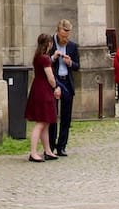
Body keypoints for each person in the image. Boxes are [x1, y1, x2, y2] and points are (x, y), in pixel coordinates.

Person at [25, 34, 61, 162]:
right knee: (41, 123)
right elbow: (50, 77)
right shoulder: (45, 58)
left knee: (45, 123)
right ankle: (33, 152)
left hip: (38, 88)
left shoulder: (37, 57)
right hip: (44, 90)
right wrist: (56, 87)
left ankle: (48, 150)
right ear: (49, 44)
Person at [51, 20, 80, 157]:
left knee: (66, 117)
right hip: (54, 82)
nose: (65, 39)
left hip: (67, 81)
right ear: (57, 31)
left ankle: (62, 146)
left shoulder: (73, 46)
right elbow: (44, 61)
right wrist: (53, 57)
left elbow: (77, 66)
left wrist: (70, 63)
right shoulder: (50, 43)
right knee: (53, 115)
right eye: (63, 37)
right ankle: (50, 145)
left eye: (67, 37)